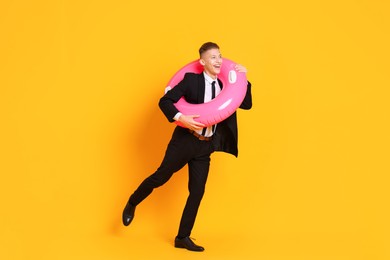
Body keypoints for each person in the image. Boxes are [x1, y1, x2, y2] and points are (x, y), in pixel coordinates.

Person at [122, 42, 252, 252]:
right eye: (213, 57)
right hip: (185, 140)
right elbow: (165, 101)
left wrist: (245, 80)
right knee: (161, 176)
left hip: (205, 146)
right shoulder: (191, 80)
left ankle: (182, 237)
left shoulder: (225, 85)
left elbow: (246, 104)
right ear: (202, 62)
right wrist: (181, 117)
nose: (219, 60)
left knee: (197, 192)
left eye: (220, 56)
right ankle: (132, 202)